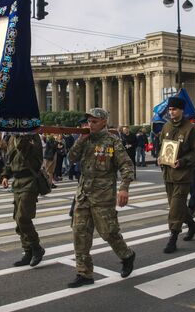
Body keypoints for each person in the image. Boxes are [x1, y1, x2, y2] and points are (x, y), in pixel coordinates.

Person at [67, 108, 135, 288]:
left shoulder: (112, 141)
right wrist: (80, 140)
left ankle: (127, 255)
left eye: (94, 121)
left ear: (104, 122)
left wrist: (124, 188)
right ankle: (84, 273)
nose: (90, 124)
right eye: (89, 121)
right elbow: (71, 158)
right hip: (83, 195)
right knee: (79, 232)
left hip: (102, 196)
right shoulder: (85, 139)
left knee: (108, 232)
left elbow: (127, 166)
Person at [159, 97, 195, 253]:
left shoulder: (190, 129)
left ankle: (173, 238)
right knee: (176, 206)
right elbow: (161, 147)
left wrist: (183, 161)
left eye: (174, 109)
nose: (171, 112)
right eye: (170, 109)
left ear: (182, 110)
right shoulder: (166, 127)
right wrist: (160, 157)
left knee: (175, 208)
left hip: (183, 175)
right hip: (168, 174)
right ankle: (193, 226)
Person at [0, 132, 46, 267]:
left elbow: (33, 154)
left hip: (30, 181)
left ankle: (37, 247)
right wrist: (5, 176)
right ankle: (28, 251)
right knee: (17, 219)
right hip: (17, 182)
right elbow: (10, 160)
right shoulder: (12, 138)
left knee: (23, 218)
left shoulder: (33, 136)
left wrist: (24, 136)